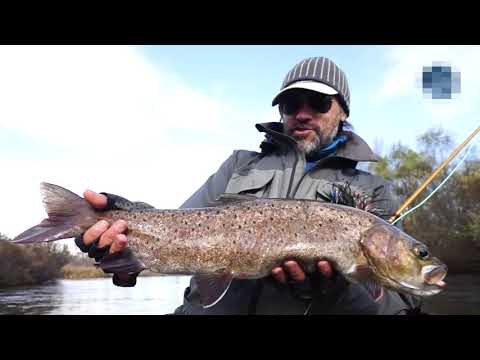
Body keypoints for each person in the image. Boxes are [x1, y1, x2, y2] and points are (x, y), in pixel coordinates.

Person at [75, 56, 423, 315]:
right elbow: (179, 228)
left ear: (343, 111)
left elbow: (398, 306)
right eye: (290, 104)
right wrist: (124, 225)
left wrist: (337, 294)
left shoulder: (371, 189)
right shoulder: (240, 164)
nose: (302, 113)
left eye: (317, 103)